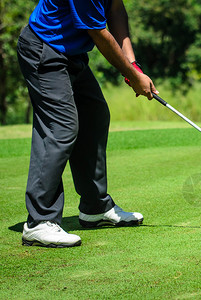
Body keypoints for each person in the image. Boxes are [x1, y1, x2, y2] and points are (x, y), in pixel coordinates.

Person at [17, 0, 158, 248]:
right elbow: (98, 32)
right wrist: (133, 76)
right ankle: (39, 221)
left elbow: (115, 9)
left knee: (94, 116)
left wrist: (133, 64)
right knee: (60, 127)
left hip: (72, 53)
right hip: (44, 48)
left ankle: (95, 207)